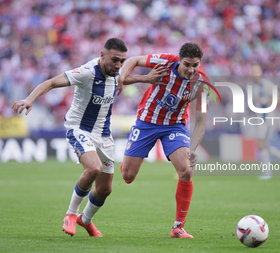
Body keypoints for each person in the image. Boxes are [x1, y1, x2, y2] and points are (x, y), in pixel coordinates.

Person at [11, 38, 166, 237]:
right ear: (102, 55)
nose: (119, 65)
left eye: (122, 61)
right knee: (93, 168)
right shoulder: (86, 73)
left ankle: (85, 220)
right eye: (115, 60)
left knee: (104, 190)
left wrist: (146, 78)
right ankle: (71, 214)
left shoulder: (115, 71)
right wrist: (29, 99)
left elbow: (122, 77)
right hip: (80, 129)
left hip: (104, 133)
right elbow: (51, 82)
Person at [117, 42, 209, 238]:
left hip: (175, 126)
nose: (191, 70)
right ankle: (127, 164)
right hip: (147, 121)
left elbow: (201, 122)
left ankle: (178, 227)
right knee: (127, 176)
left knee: (185, 170)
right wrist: (121, 78)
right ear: (179, 60)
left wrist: (192, 149)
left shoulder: (201, 84)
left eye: (195, 65)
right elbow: (133, 60)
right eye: (187, 65)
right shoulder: (166, 61)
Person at [249, 63, 280, 180]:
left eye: (256, 71)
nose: (254, 74)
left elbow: (278, 98)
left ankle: (267, 172)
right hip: (259, 119)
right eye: (252, 71)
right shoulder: (251, 87)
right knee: (263, 145)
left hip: (267, 118)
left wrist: (263, 100)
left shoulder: (267, 85)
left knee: (261, 143)